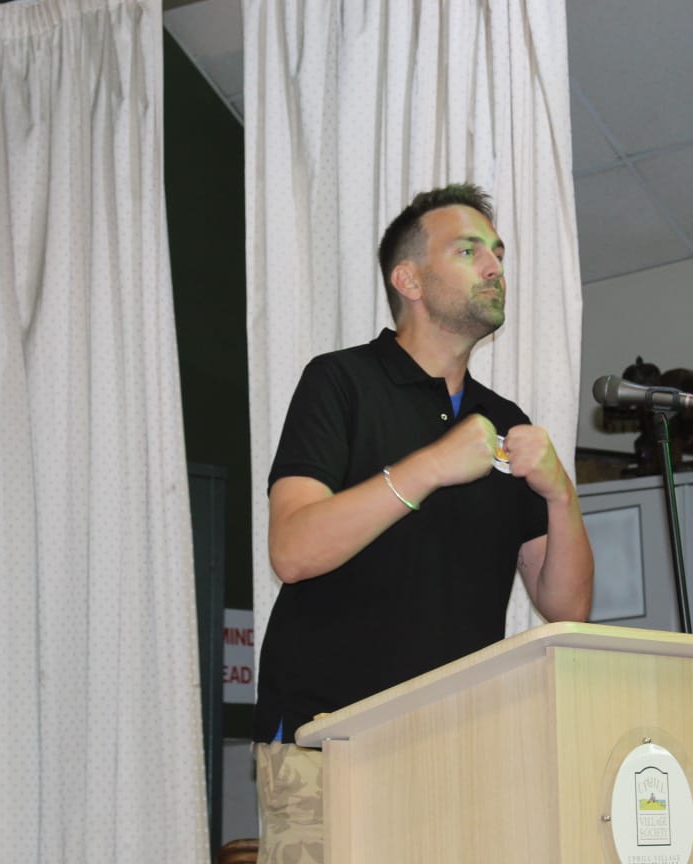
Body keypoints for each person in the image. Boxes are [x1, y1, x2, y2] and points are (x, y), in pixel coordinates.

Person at [253, 183, 594, 863]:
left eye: (498, 253)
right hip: (327, 741)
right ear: (407, 279)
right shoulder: (340, 382)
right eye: (469, 251)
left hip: (460, 748)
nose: (494, 266)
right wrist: (432, 466)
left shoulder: (506, 421)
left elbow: (566, 606)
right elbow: (292, 550)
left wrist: (561, 495)